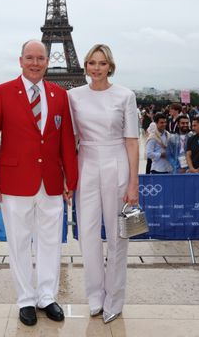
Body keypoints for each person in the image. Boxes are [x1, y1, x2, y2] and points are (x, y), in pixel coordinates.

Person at [0, 40, 78, 327]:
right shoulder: (1, 92)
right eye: (30, 58)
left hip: (50, 182)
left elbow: (66, 141)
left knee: (50, 243)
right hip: (13, 182)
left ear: (48, 61)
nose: (35, 63)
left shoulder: (59, 94)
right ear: (20, 60)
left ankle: (46, 296)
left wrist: (69, 180)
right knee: (19, 243)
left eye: (40, 58)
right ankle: (25, 299)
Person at [68, 44, 139, 324]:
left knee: (117, 235)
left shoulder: (125, 96)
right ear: (85, 66)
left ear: (110, 66)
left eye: (102, 63)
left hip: (116, 163)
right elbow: (70, 140)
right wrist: (67, 177)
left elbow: (132, 141)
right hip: (85, 163)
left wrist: (133, 183)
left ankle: (115, 298)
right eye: (91, 63)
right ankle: (95, 295)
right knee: (87, 235)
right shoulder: (73, 96)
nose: (96, 68)